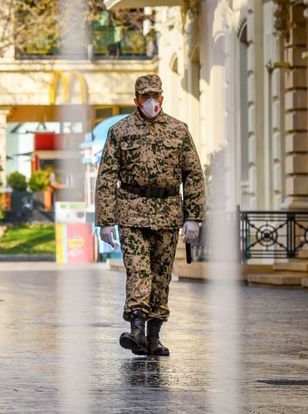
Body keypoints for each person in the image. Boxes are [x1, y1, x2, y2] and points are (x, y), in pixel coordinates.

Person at [95, 74, 205, 356]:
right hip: (132, 211)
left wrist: (194, 216)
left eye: (155, 96)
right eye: (145, 97)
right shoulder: (120, 132)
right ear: (136, 100)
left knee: (161, 274)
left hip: (168, 212)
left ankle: (153, 337)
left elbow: (193, 174)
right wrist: (105, 221)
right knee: (138, 270)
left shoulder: (179, 131)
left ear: (162, 98)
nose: (151, 101)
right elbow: (107, 177)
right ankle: (135, 329)